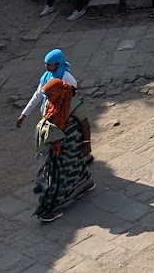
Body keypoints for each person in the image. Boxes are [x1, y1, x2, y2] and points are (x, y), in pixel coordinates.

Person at [29, 74, 95, 222]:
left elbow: (85, 125)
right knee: (70, 167)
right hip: (58, 144)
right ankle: (84, 184)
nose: (48, 99)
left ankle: (47, 209)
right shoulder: (52, 102)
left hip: (72, 144)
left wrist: (87, 144)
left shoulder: (74, 103)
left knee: (57, 177)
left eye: (50, 95)